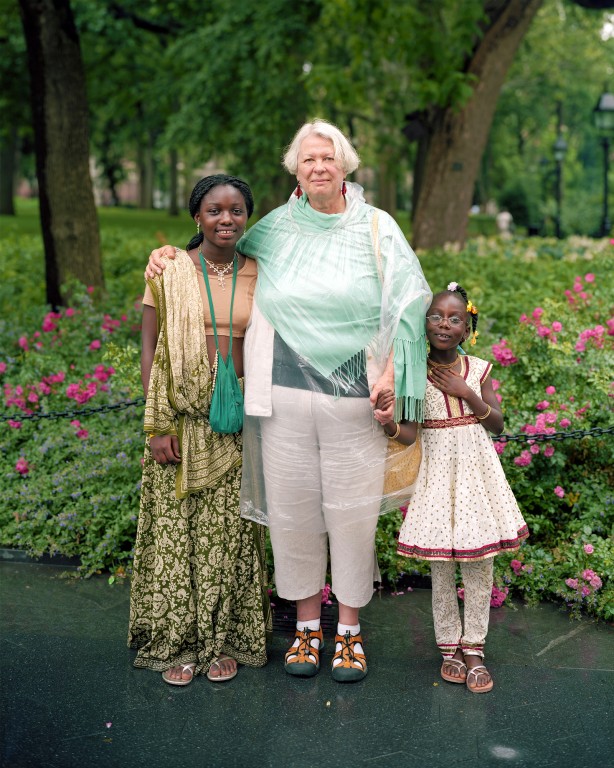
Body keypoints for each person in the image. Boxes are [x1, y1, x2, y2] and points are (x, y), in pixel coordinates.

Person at [145, 119, 431, 683]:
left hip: (354, 400)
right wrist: (167, 257)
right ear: (295, 171)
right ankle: (306, 627)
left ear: (345, 164)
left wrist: (396, 377)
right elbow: (217, 248)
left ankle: (348, 630)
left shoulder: (377, 227)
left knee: (349, 517)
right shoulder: (274, 228)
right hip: (280, 398)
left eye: (327, 157)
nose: (318, 167)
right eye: (307, 160)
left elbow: (410, 301)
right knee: (294, 516)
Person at [129, 174, 270, 687]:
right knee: (180, 533)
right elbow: (150, 348)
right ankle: (181, 642)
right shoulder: (168, 269)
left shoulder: (258, 271)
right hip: (182, 421)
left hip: (237, 421)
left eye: (236, 211)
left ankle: (224, 639)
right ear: (197, 217)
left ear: (247, 217)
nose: (226, 219)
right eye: (215, 210)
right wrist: (158, 422)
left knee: (231, 534)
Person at [378, 283, 528, 693]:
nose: (444, 323)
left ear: (467, 328)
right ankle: (449, 648)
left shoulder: (478, 370)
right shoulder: (413, 372)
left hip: (477, 478)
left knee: (480, 566)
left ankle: (474, 648)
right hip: (439, 479)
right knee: (442, 569)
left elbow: (497, 423)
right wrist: (388, 422)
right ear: (424, 324)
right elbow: (408, 434)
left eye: (454, 318)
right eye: (436, 316)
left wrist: (468, 395)